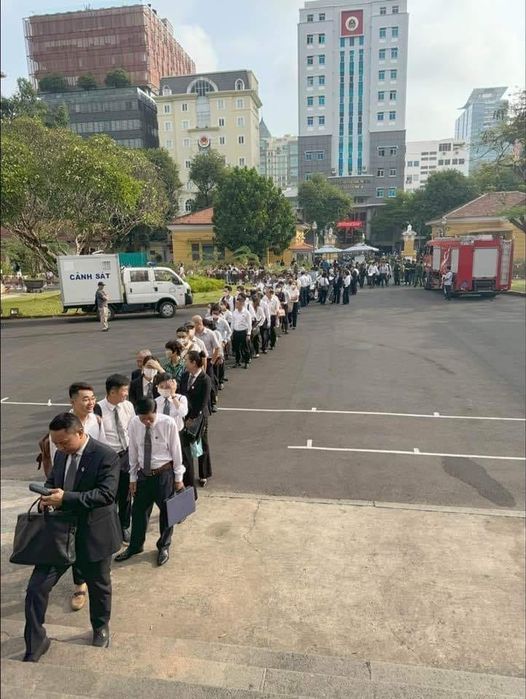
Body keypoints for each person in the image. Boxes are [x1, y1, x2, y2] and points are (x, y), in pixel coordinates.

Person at [24, 413, 121, 661]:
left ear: (79, 433)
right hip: (59, 534)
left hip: (93, 533)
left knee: (99, 587)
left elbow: (106, 495)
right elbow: (52, 480)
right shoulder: (60, 454)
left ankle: (100, 628)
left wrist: (65, 498)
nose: (60, 448)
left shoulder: (106, 456)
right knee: (36, 587)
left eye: (64, 442)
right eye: (56, 443)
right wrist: (47, 497)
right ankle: (36, 641)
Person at [49, 382, 106, 613]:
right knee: (72, 545)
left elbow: (103, 451)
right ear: (72, 401)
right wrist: (52, 494)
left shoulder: (97, 421)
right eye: (85, 399)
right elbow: (56, 465)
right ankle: (79, 586)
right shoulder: (61, 428)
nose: (90, 402)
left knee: (92, 552)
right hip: (68, 494)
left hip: (91, 492)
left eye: (92, 398)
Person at [114, 397, 185, 567]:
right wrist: (132, 477)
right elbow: (133, 451)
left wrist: (178, 478)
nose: (146, 422)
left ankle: (163, 546)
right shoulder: (134, 423)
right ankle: (135, 546)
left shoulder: (168, 423)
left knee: (167, 513)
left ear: (155, 412)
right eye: (143, 418)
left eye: (150, 418)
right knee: (138, 512)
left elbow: (176, 451)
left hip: (163, 474)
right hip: (143, 475)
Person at [96, 374, 135, 545]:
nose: (126, 394)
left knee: (126, 494)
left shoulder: (127, 406)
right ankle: (109, 528)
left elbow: (132, 428)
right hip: (108, 458)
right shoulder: (97, 409)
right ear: (112, 392)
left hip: (126, 455)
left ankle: (124, 526)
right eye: (124, 391)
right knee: (109, 495)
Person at [154, 372, 195, 496]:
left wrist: (173, 396)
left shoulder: (181, 398)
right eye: (162, 387)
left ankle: (189, 493)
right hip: (163, 437)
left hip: (178, 435)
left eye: (167, 386)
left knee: (185, 463)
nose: (165, 389)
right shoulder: (155, 402)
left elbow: (183, 412)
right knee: (168, 465)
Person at [179, 351, 213, 487]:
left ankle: (204, 473)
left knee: (201, 444)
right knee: (186, 445)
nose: (185, 363)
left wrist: (192, 418)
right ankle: (188, 475)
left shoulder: (205, 379)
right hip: (185, 415)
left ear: (193, 363)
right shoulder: (185, 375)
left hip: (199, 417)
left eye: (186, 360)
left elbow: (203, 402)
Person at [231, 296, 252, 368]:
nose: (236, 305)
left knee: (245, 348)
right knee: (236, 348)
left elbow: (249, 324)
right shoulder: (234, 312)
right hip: (236, 332)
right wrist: (231, 332)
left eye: (238, 303)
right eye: (236, 303)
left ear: (242, 303)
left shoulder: (246, 313)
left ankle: (246, 361)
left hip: (243, 332)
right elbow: (232, 323)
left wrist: (248, 334)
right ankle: (237, 361)